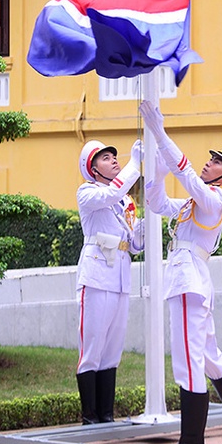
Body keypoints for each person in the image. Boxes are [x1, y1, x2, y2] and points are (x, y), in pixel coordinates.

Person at [140, 99, 222, 444]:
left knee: (188, 362)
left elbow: (188, 173)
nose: (209, 162)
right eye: (211, 158)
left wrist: (160, 133)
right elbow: (157, 203)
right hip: (191, 280)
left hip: (189, 281)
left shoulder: (214, 198)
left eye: (217, 161)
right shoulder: (196, 202)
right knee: (208, 356)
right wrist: (158, 173)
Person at [75, 138, 144, 425]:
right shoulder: (88, 192)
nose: (114, 160)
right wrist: (135, 165)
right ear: (93, 168)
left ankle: (106, 415)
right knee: (92, 347)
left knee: (112, 349)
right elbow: (110, 196)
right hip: (96, 276)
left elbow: (135, 244)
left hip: (120, 277)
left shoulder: (126, 200)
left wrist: (145, 223)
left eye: (115, 156)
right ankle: (89, 416)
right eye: (106, 158)